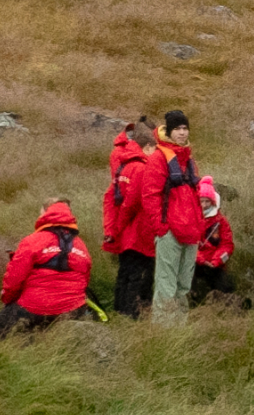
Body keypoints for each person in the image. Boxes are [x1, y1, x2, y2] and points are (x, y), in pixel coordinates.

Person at [0, 198, 93, 339]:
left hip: (35, 306)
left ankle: (10, 350)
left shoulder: (32, 241)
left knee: (0, 324)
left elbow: (14, 279)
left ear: (46, 215)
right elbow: (85, 279)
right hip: (73, 308)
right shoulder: (81, 244)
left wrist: (7, 299)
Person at [151, 111, 208, 321]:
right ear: (168, 132)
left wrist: (199, 225)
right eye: (177, 129)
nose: (182, 133)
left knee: (183, 285)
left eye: (185, 128)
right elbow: (150, 196)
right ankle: (164, 331)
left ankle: (179, 330)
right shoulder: (158, 158)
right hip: (169, 230)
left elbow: (196, 196)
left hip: (190, 230)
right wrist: (160, 227)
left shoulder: (189, 160)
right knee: (166, 284)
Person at [103, 119, 159, 319]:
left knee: (125, 273)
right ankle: (133, 314)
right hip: (139, 231)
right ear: (148, 147)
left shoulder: (123, 166)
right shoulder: (142, 168)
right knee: (139, 276)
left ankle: (120, 310)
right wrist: (120, 225)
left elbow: (111, 197)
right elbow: (133, 202)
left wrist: (114, 228)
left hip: (127, 232)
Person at [191, 178, 240, 304]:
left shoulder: (221, 221)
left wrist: (216, 260)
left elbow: (227, 246)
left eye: (207, 201)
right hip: (195, 262)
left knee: (225, 287)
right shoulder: (191, 219)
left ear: (213, 201)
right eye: (201, 201)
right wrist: (201, 260)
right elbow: (188, 245)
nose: (204, 205)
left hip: (215, 264)